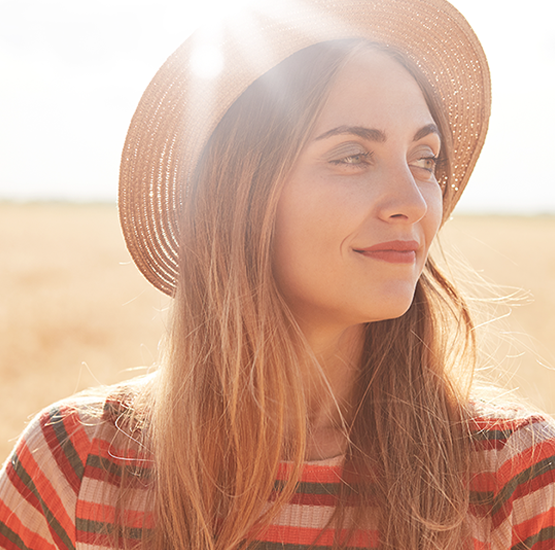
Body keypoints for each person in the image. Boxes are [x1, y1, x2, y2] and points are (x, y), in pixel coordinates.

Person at [1, 0, 554, 549]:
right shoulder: (75, 467)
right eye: (353, 155)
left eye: (426, 158)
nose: (412, 201)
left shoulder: (517, 477)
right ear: (241, 192)